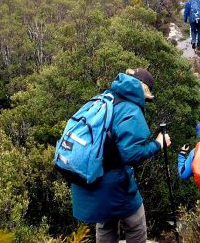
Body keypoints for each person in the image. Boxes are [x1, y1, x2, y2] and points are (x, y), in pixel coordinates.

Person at [71, 68, 171, 243]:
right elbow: (131, 155)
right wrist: (158, 144)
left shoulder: (103, 99)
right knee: (135, 220)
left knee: (106, 222)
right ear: (143, 91)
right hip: (113, 181)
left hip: (90, 176)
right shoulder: (130, 109)